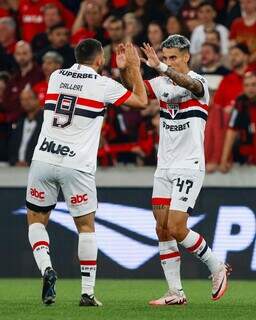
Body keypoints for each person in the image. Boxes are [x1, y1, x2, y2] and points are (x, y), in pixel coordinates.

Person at [25, 38, 147, 306]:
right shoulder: (103, 84)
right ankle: (87, 293)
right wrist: (132, 68)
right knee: (85, 227)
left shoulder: (56, 76)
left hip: (44, 157)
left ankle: (47, 268)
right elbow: (141, 100)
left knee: (36, 219)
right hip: (76, 164)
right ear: (100, 59)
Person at [120, 34, 231, 305]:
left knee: (177, 227)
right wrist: (127, 68)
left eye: (172, 57)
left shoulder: (200, 83)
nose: (167, 61)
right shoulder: (160, 83)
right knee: (161, 229)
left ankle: (217, 266)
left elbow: (189, 83)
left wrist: (159, 66)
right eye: (165, 57)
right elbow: (137, 93)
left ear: (186, 57)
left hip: (189, 165)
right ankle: (175, 292)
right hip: (164, 166)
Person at [219, 71, 256, 172]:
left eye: (254, 85)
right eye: (247, 85)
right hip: (246, 155)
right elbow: (231, 131)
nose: (250, 88)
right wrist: (223, 160)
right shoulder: (240, 102)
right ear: (243, 87)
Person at [8, 87, 43, 166]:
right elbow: (12, 146)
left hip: (35, 167)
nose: (25, 102)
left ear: (37, 99)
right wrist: (14, 161)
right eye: (23, 99)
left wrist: (29, 162)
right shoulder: (19, 122)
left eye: (29, 98)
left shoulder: (45, 121)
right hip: (16, 168)